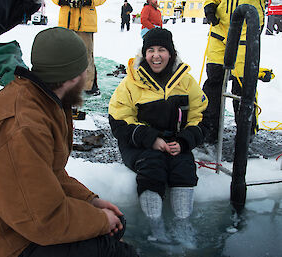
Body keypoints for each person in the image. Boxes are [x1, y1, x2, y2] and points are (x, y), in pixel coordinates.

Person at [0, 27, 138, 257]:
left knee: (114, 228)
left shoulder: (40, 99)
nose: (88, 77)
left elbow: (48, 174)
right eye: (86, 70)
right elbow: (42, 220)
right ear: (74, 76)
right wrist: (100, 221)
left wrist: (91, 202)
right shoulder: (23, 126)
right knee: (111, 249)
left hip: (15, 212)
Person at [108, 28, 208, 245]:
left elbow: (201, 116)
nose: (156, 55)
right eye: (150, 50)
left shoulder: (186, 81)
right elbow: (118, 119)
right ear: (144, 54)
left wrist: (183, 141)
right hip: (139, 144)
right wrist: (150, 139)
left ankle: (183, 225)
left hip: (174, 140)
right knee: (152, 165)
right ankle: (156, 228)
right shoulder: (131, 82)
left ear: (171, 53)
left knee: (184, 166)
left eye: (162, 49)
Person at [202, 0, 266, 144]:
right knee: (213, 81)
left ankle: (246, 129)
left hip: (246, 29)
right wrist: (210, 5)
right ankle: (210, 128)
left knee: (243, 84)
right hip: (219, 29)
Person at [52, 0, 106, 96]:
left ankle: (89, 86)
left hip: (85, 23)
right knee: (64, 55)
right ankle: (64, 83)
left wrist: (90, 1)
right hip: (67, 23)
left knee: (86, 55)